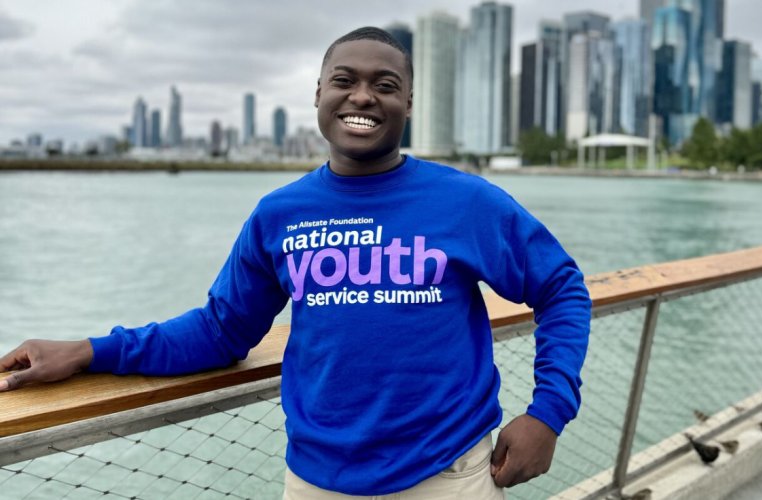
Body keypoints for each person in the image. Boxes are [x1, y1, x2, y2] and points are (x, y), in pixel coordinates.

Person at [0, 27, 591, 499]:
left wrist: (548, 413)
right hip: (316, 483)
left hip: (451, 477)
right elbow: (221, 331)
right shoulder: (280, 214)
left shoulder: (466, 202)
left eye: (385, 84)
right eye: (344, 80)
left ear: (408, 103)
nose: (363, 96)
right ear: (317, 95)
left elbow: (561, 287)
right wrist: (86, 351)